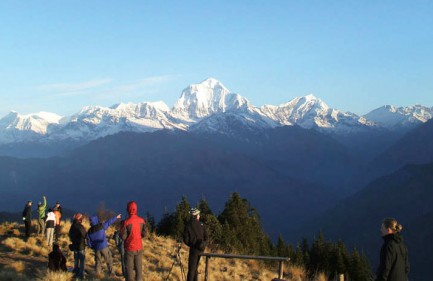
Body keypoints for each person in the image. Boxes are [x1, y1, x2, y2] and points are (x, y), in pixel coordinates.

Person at [120, 201, 146, 281]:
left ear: (128, 210)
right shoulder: (142, 220)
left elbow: (123, 237)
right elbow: (144, 234)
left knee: (129, 269)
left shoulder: (126, 222)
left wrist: (121, 229)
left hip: (129, 249)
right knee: (138, 268)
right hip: (139, 247)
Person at [183, 207, 208, 281]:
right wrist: (203, 244)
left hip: (193, 250)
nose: (199, 216)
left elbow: (185, 239)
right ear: (196, 215)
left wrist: (192, 245)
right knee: (195, 267)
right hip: (201, 249)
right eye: (198, 214)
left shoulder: (188, 225)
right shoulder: (202, 225)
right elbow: (206, 237)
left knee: (192, 269)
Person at [69, 213, 87, 279]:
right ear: (79, 219)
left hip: (75, 245)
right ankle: (81, 274)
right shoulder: (80, 226)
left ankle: (75, 271)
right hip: (81, 245)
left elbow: (70, 234)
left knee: (76, 259)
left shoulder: (72, 226)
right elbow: (85, 235)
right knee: (82, 260)